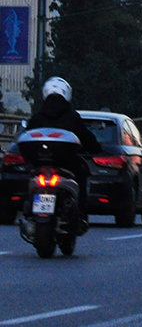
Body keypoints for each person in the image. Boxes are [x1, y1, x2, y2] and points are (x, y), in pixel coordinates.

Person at [26, 77, 102, 232]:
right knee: (82, 174)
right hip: (67, 164)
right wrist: (95, 149)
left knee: (28, 176)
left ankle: (27, 207)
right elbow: (86, 137)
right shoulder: (72, 116)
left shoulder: (37, 117)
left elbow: (27, 136)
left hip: (40, 163)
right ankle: (80, 214)